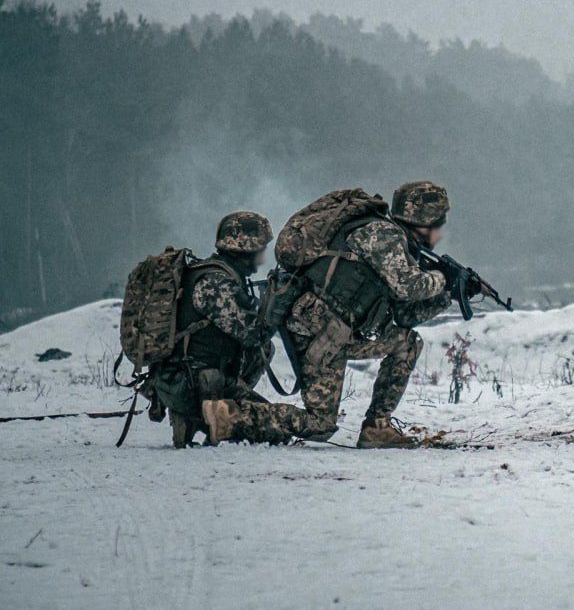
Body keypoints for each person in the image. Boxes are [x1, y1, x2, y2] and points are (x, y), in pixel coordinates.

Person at [202, 181, 469, 449]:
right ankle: (229, 415)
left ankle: (377, 427)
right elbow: (409, 285)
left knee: (407, 342)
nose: (439, 235)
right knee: (320, 425)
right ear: (424, 222)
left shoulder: (393, 244)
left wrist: (451, 295)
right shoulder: (382, 234)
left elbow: (406, 314)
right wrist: (445, 279)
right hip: (320, 331)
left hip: (334, 331)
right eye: (438, 226)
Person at [150, 211, 278, 447]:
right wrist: (279, 304)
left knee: (266, 350)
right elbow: (252, 335)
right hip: (193, 383)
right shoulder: (216, 283)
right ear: (245, 248)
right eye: (260, 249)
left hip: (193, 378)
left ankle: (210, 413)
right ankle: (206, 414)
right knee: (277, 426)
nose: (262, 258)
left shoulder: (217, 275)